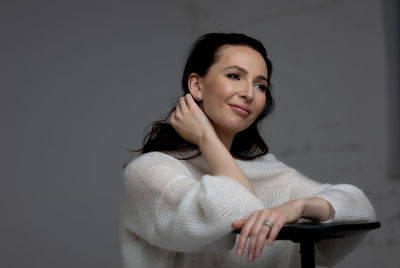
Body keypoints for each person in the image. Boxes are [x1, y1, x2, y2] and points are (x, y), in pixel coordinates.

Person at [120, 33, 376, 268]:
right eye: (234, 76)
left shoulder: (267, 169)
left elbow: (360, 208)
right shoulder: (149, 173)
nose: (248, 93)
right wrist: (207, 139)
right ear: (196, 86)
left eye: (260, 85)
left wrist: (300, 206)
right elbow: (238, 210)